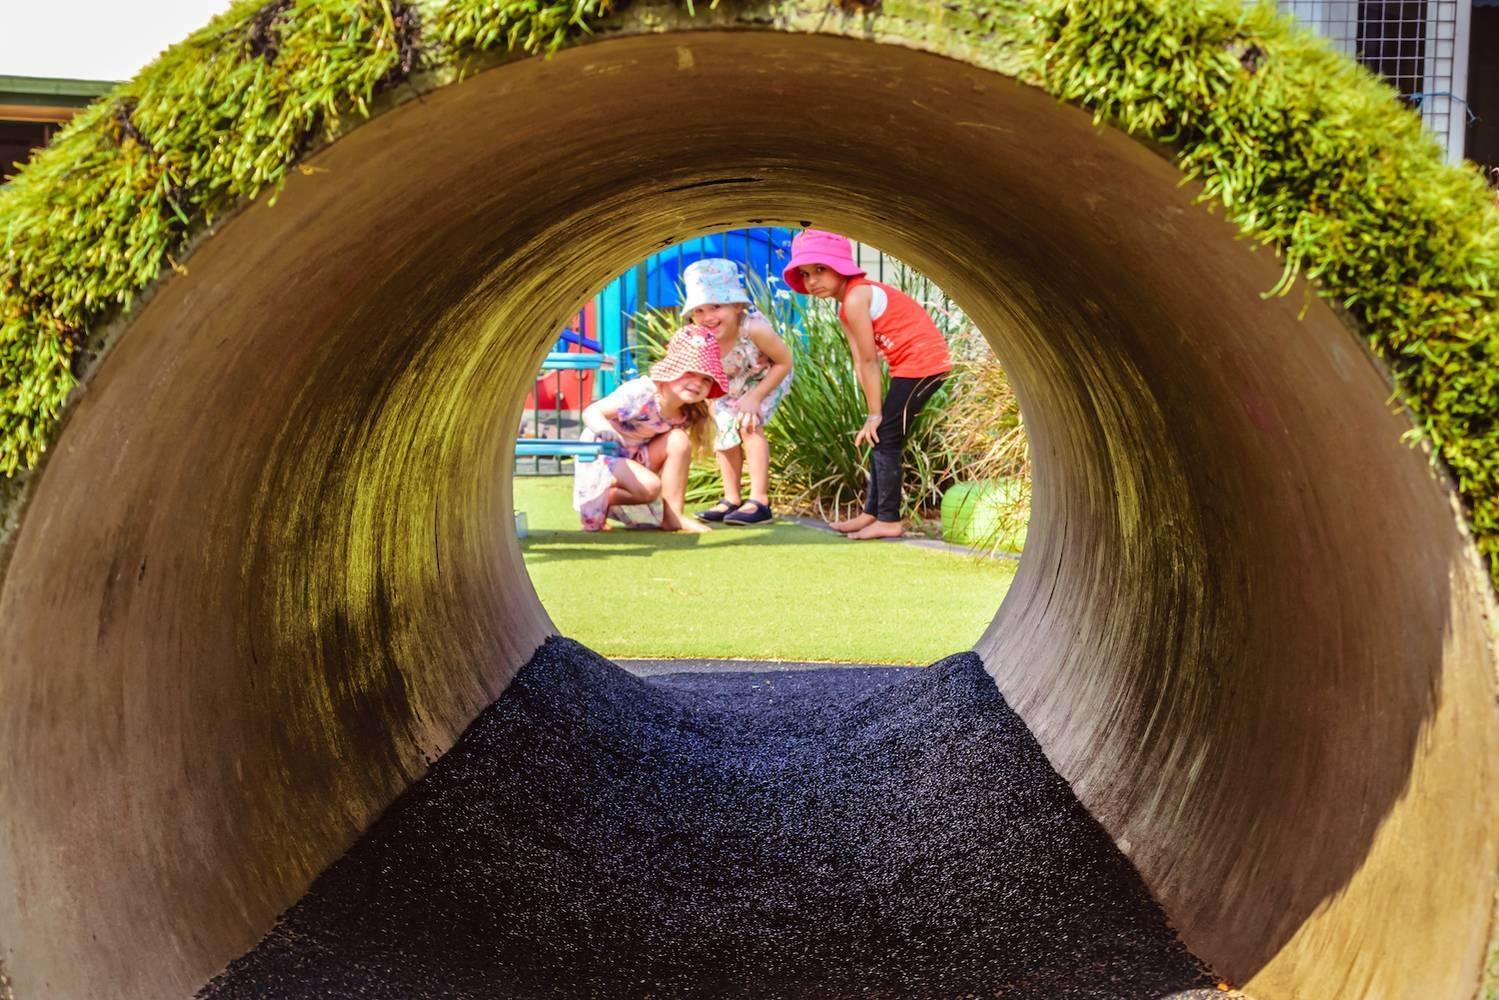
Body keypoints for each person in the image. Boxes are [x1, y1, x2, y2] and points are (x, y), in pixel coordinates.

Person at [783, 230, 952, 540]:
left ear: (841, 266)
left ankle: (889, 519)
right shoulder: (845, 306)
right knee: (881, 436)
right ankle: (871, 513)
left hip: (924, 364)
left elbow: (871, 361)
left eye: (820, 269)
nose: (811, 281)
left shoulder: (858, 295)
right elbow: (861, 362)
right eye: (805, 274)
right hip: (911, 366)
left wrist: (875, 415)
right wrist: (872, 415)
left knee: (886, 435)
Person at [573, 327, 727, 533]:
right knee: (650, 487)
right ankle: (600, 496)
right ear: (672, 369)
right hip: (603, 455)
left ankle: (674, 517)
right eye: (690, 372)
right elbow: (592, 411)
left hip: (634, 456)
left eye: (706, 379)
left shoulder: (685, 411)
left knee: (679, 440)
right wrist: (603, 429)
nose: (697, 383)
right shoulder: (642, 394)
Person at [678, 258, 794, 526]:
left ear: (737, 306)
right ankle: (732, 499)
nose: (708, 317)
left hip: (767, 374)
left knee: (748, 424)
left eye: (716, 306)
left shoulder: (754, 329)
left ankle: (760, 500)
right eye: (699, 310)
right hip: (731, 381)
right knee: (724, 428)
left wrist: (755, 397)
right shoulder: (700, 337)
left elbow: (784, 362)